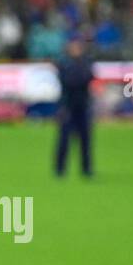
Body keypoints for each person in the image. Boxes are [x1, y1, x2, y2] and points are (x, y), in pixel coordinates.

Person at [55, 38, 94, 177]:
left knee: (85, 140)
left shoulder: (85, 63)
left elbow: (87, 78)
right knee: (64, 139)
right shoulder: (64, 64)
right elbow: (70, 81)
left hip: (82, 105)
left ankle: (87, 169)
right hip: (68, 106)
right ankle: (60, 169)